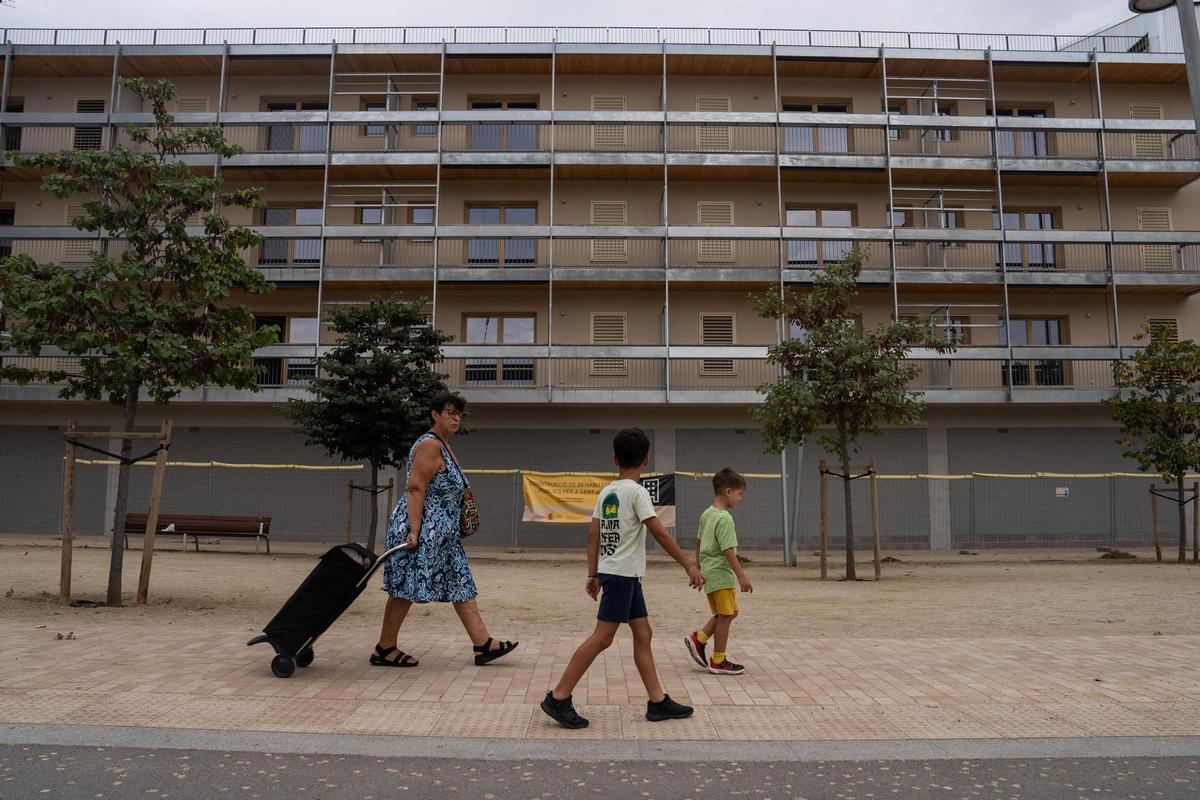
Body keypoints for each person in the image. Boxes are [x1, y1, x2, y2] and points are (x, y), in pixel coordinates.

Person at [540, 428, 706, 729]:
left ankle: (657, 701)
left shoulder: (608, 491)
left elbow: (593, 534)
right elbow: (658, 531)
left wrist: (593, 572)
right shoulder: (638, 492)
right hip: (621, 575)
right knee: (602, 638)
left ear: (615, 459)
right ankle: (558, 696)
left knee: (643, 634)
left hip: (618, 574)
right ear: (646, 460)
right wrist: (688, 564)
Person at [371, 391, 518, 669]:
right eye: (449, 412)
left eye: (458, 414)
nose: (455, 418)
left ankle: (482, 644)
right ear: (435, 415)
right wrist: (414, 531)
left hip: (443, 535)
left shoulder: (444, 445)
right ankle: (385, 648)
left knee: (462, 583)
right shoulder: (429, 445)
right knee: (405, 588)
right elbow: (415, 488)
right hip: (421, 530)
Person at [685, 468, 752, 675]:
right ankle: (718, 660)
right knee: (725, 615)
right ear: (728, 491)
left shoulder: (707, 513)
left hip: (709, 572)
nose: (741, 499)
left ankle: (700, 639)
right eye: (740, 494)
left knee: (730, 612)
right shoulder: (724, 518)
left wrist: (698, 568)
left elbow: (698, 542)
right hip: (722, 574)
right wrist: (741, 575)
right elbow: (728, 549)